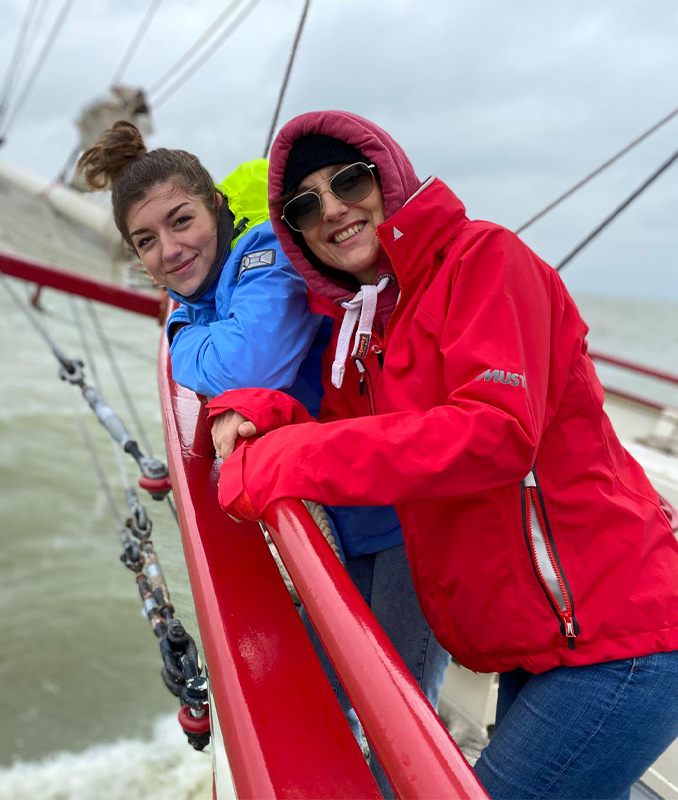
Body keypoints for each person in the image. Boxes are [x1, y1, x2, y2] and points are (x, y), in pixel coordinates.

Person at [206, 109, 678, 799]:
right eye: (306, 205)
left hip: (621, 639)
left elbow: (493, 434)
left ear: (389, 178)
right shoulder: (377, 320)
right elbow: (342, 427)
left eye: (350, 180)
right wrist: (260, 411)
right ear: (293, 231)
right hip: (546, 640)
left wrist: (289, 459)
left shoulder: (484, 260)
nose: (334, 209)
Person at [76, 123, 450, 781]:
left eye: (181, 220)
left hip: (402, 519)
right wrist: (192, 334)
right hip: (345, 513)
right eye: (146, 240)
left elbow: (246, 364)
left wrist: (188, 340)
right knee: (318, 706)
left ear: (216, 206)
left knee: (402, 716)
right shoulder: (204, 296)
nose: (170, 249)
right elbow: (208, 353)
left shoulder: (263, 257)